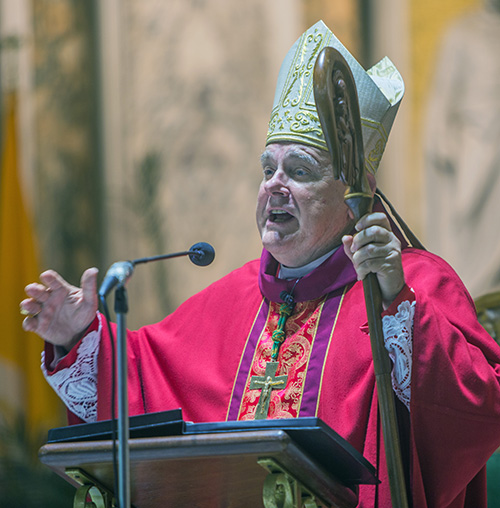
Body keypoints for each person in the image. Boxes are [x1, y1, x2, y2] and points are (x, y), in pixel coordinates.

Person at [21, 21, 500, 508]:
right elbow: (141, 376)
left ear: (359, 190)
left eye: (299, 171)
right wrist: (79, 338)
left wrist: (398, 306)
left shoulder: (413, 281)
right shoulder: (231, 298)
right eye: (267, 169)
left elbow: (475, 408)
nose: (274, 185)